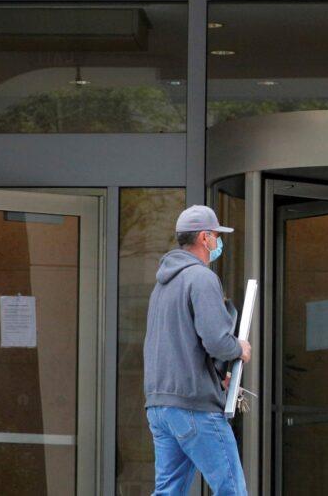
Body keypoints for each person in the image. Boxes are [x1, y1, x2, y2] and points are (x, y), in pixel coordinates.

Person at [145, 204, 252, 496]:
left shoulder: (162, 285)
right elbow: (216, 341)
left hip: (160, 405)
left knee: (168, 492)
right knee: (231, 490)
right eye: (216, 235)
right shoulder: (201, 278)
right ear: (204, 238)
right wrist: (239, 348)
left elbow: (180, 346)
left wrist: (216, 377)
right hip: (194, 405)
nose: (218, 242)